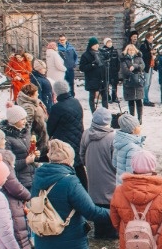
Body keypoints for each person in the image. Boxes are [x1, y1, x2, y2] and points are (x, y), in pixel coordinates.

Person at [80, 107, 119, 239]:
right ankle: (111, 232)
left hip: (93, 177)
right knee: (110, 204)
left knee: (97, 204)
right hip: (110, 179)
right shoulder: (113, 137)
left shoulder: (86, 134)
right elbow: (116, 161)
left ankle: (99, 232)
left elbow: (82, 155)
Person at [47, 79, 86, 188]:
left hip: (64, 141)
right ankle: (85, 189)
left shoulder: (57, 107)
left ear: (56, 92)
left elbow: (50, 128)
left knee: (65, 166)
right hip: (78, 138)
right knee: (79, 166)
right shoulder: (76, 102)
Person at [0, 104, 36, 188]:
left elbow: (26, 152)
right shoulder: (7, 139)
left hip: (33, 175)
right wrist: (25, 161)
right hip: (21, 179)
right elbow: (9, 165)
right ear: (14, 120)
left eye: (25, 118)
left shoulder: (26, 132)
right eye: (22, 119)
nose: (25, 121)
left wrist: (34, 154)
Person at [16, 82, 48, 159]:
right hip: (36, 141)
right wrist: (33, 140)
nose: (38, 94)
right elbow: (26, 126)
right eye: (36, 93)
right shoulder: (28, 107)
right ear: (30, 95)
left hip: (41, 137)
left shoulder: (36, 103)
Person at [113, 112, 145, 183]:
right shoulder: (133, 148)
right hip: (129, 184)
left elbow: (114, 163)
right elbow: (132, 171)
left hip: (119, 180)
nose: (140, 127)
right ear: (132, 129)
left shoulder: (119, 141)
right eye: (138, 126)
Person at [78, 37, 106, 112]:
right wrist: (92, 65)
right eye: (94, 44)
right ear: (91, 45)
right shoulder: (86, 55)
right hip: (92, 79)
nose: (97, 46)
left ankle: (105, 111)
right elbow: (82, 68)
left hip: (102, 78)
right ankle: (93, 112)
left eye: (97, 44)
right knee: (92, 96)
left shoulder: (100, 53)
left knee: (104, 96)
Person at [119, 43, 146, 122]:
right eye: (129, 50)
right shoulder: (124, 59)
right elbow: (124, 69)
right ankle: (132, 117)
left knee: (139, 99)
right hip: (129, 81)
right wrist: (131, 73)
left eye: (133, 50)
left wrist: (135, 66)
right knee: (131, 100)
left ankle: (140, 118)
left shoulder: (139, 58)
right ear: (127, 51)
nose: (131, 51)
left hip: (138, 81)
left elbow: (142, 66)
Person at [136, 32, 156, 107]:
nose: (152, 39)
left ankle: (146, 98)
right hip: (146, 66)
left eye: (152, 38)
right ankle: (145, 99)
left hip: (150, 65)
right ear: (147, 38)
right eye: (150, 38)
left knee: (148, 83)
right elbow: (143, 56)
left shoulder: (150, 45)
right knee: (146, 83)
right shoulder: (143, 45)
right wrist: (150, 53)